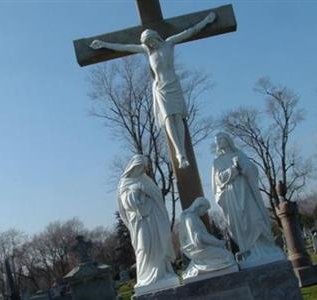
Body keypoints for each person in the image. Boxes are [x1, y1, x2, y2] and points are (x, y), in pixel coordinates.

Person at [90, 12, 216, 169]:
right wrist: (104, 44)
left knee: (178, 117)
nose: (151, 44)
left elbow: (189, 32)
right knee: (168, 118)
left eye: (151, 41)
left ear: (156, 37)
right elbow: (124, 47)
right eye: (148, 43)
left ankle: (183, 150)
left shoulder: (169, 43)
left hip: (173, 84)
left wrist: (206, 21)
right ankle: (179, 153)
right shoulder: (147, 51)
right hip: (161, 88)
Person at [211, 132, 285, 268]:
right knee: (241, 222)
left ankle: (264, 247)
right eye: (217, 141)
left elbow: (252, 170)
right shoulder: (217, 161)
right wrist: (233, 169)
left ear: (228, 140)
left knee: (254, 218)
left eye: (221, 139)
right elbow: (219, 179)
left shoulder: (239, 154)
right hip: (231, 194)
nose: (219, 142)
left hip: (245, 191)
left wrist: (242, 167)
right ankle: (250, 250)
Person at [117, 154, 179, 293]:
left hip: (153, 220)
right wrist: (134, 194)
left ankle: (162, 273)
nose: (141, 170)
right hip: (139, 221)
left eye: (143, 167)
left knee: (158, 244)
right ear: (133, 166)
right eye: (139, 167)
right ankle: (145, 277)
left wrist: (144, 189)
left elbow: (156, 194)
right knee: (143, 247)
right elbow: (125, 203)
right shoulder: (124, 182)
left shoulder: (146, 179)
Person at [179, 197, 238, 280]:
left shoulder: (194, 218)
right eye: (205, 209)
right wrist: (218, 243)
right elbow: (199, 238)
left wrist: (217, 242)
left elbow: (203, 237)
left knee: (228, 256)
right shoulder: (190, 218)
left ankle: (206, 264)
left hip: (202, 247)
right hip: (197, 249)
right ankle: (204, 266)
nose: (205, 212)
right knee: (228, 257)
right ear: (199, 206)